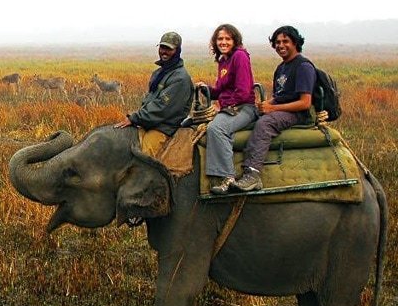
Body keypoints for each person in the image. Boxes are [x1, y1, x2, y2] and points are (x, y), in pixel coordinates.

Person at [232, 25, 316, 192]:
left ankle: (253, 174)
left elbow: (305, 102)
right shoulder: (282, 67)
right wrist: (267, 104)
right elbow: (281, 94)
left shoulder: (303, 66)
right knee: (248, 112)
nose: (280, 45)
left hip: (298, 114)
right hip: (282, 108)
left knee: (265, 123)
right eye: (277, 42)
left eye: (285, 41)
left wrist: (272, 110)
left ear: (295, 43)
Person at [198, 24, 257, 195]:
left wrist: (221, 106)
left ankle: (227, 176)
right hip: (230, 106)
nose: (223, 42)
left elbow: (243, 91)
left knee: (217, 128)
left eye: (227, 39)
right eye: (220, 39)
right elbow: (222, 90)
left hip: (244, 108)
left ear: (235, 40)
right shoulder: (224, 60)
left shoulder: (239, 57)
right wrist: (206, 89)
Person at [114, 31, 193, 138]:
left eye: (169, 49)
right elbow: (150, 101)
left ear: (177, 51)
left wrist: (135, 118)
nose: (164, 52)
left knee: (144, 152)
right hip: (149, 124)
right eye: (162, 47)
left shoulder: (180, 79)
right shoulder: (158, 73)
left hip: (164, 129)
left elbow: (162, 108)